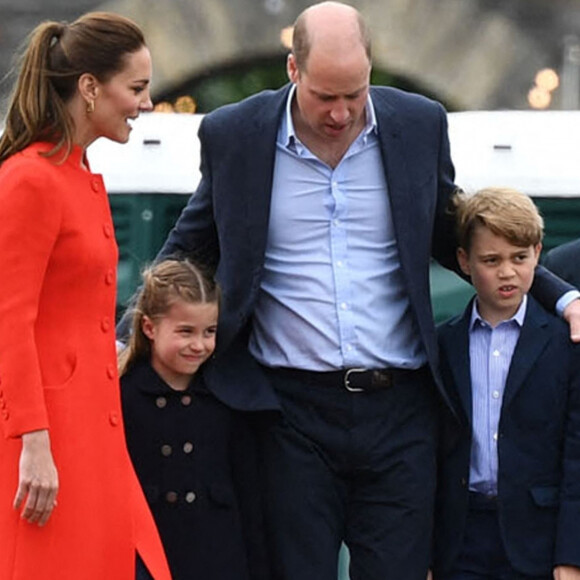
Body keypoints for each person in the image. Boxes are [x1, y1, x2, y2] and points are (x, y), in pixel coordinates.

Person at [132, 2, 580, 579]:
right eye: (325, 96)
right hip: (287, 412)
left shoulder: (418, 124)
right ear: (293, 70)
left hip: (400, 410)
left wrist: (556, 294)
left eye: (356, 93)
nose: (342, 113)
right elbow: (189, 246)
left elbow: (463, 234)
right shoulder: (235, 135)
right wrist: (124, 341)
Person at [0, 12, 171, 580]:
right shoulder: (30, 179)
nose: (145, 104)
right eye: (137, 88)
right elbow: (10, 319)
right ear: (91, 87)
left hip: (92, 433)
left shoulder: (78, 173)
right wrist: (35, 441)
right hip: (47, 440)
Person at [433, 188, 580, 580]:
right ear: (464, 261)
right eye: (491, 260)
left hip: (539, 540)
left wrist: (571, 555)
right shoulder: (443, 345)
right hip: (461, 539)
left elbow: (576, 454)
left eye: (519, 258)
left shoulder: (566, 345)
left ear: (537, 252)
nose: (507, 272)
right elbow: (429, 452)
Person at [119, 259, 270, 580]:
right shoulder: (123, 396)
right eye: (185, 332)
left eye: (209, 332)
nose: (199, 345)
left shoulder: (227, 399)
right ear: (149, 328)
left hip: (217, 556)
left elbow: (249, 495)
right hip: (145, 555)